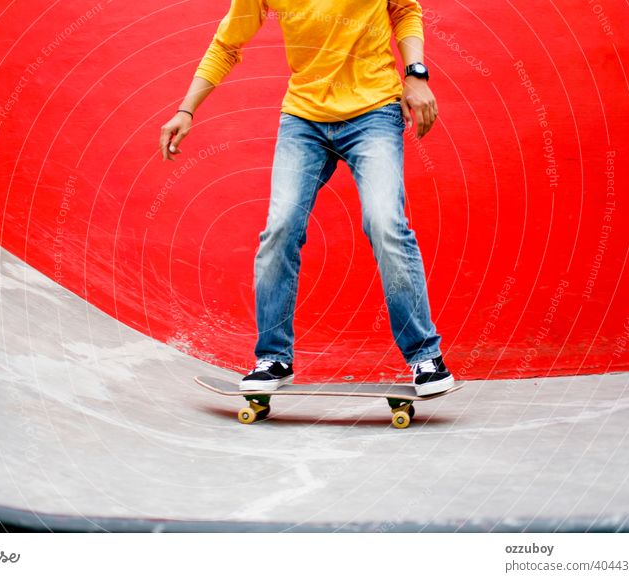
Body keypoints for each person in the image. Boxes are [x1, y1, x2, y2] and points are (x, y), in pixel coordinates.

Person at [159, 1, 454, 396]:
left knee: (385, 223)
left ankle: (424, 357)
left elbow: (404, 9)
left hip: (373, 110)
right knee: (280, 228)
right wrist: (186, 110)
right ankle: (273, 357)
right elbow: (226, 44)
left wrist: (416, 74)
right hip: (304, 118)